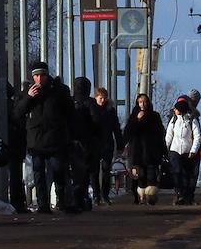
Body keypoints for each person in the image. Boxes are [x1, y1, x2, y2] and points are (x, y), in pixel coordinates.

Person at [13, 62, 74, 214]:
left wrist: (69, 135)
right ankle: (43, 205)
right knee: (38, 173)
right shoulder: (27, 92)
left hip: (55, 138)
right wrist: (28, 97)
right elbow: (17, 113)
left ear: (47, 75)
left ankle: (61, 199)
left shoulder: (58, 91)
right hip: (36, 139)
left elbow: (70, 112)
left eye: (42, 75)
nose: (39, 79)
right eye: (36, 76)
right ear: (32, 77)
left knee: (57, 169)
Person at [122, 93, 165, 205]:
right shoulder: (133, 117)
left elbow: (160, 133)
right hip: (137, 152)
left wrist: (163, 150)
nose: (143, 104)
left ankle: (150, 197)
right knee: (140, 176)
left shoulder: (155, 116)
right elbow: (128, 133)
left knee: (151, 176)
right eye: (140, 102)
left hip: (151, 152)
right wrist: (137, 119)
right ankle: (140, 197)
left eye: (145, 101)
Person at [67, 76, 98, 212]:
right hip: (87, 143)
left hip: (71, 141)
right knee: (83, 174)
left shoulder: (70, 102)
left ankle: (72, 198)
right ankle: (81, 198)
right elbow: (96, 122)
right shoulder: (90, 103)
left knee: (73, 172)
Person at [165, 97, 201, 205]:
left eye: (176, 109)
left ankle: (189, 196)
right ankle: (179, 194)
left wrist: (193, 150)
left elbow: (197, 136)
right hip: (174, 150)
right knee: (176, 172)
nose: (174, 111)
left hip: (188, 151)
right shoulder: (173, 120)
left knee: (189, 175)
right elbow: (169, 136)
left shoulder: (191, 120)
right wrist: (165, 149)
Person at [89, 86, 122, 206]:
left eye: (104, 98)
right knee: (94, 170)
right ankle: (96, 195)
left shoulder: (110, 111)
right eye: (100, 98)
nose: (102, 100)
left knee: (106, 169)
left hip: (107, 142)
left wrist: (120, 144)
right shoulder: (91, 109)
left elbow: (116, 128)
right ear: (96, 97)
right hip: (94, 143)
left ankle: (105, 194)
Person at [5, 81, 28, 213]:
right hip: (16, 143)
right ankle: (18, 202)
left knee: (14, 174)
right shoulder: (13, 106)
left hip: (8, 142)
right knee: (16, 174)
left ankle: (16, 201)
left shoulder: (2, 105)